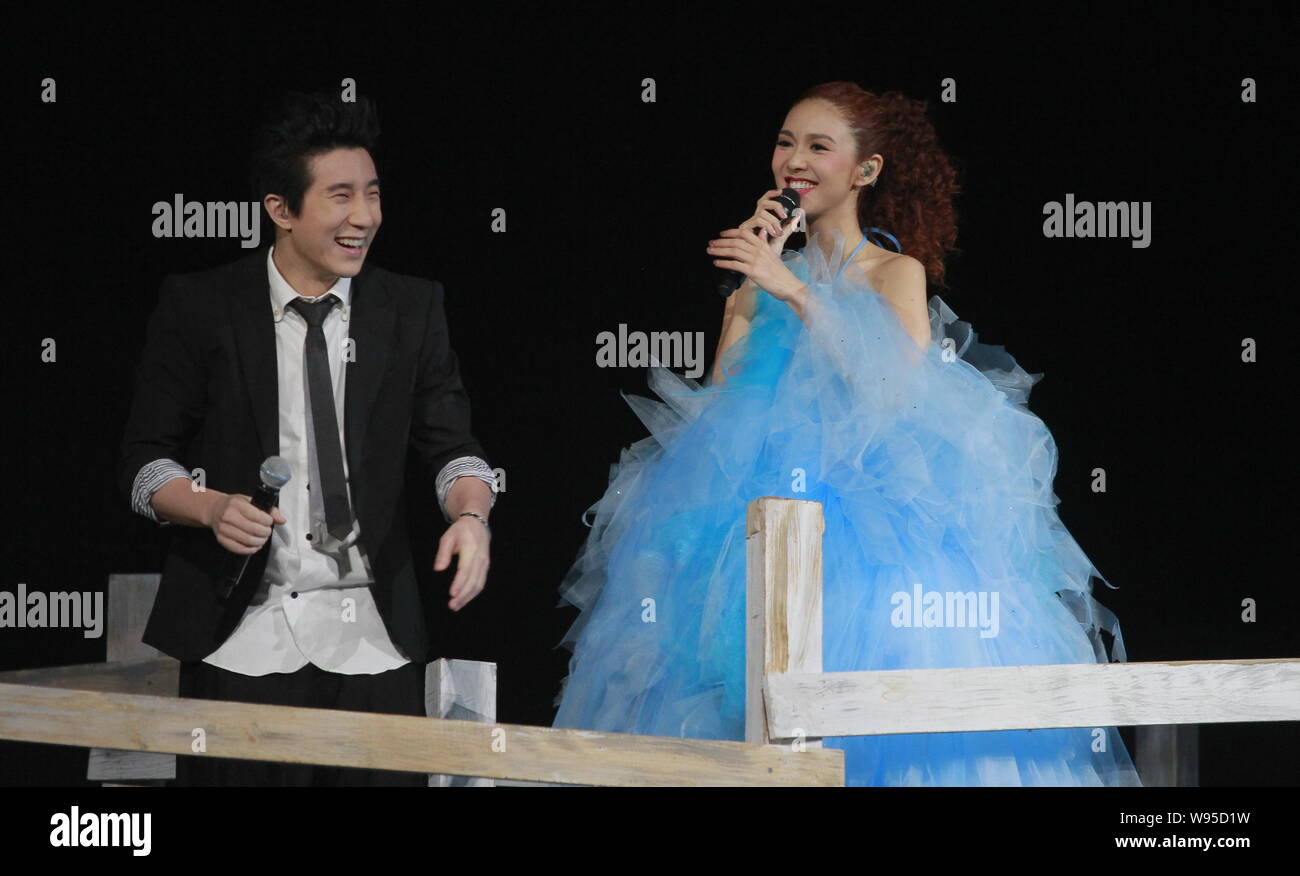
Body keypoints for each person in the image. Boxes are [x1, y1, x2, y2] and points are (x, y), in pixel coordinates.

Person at [552, 81, 1141, 786]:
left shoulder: (895, 272)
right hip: (747, 524)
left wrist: (797, 290)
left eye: (817, 146)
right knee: (722, 694)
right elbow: (720, 404)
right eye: (784, 143)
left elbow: (895, 394)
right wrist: (756, 283)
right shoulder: (763, 278)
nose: (794, 160)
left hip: (876, 532)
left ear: (865, 170)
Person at [117, 91, 497, 785]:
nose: (364, 217)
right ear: (281, 209)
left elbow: (454, 450)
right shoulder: (203, 305)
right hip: (239, 642)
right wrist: (208, 507)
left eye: (372, 195)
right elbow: (143, 463)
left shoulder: (411, 309)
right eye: (340, 196)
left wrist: (471, 516)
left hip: (374, 646)